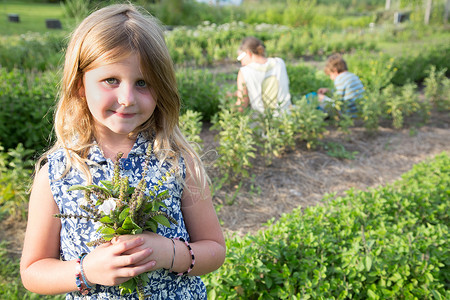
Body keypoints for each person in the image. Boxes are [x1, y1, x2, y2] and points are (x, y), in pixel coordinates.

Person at [20, 4, 225, 299]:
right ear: (80, 85)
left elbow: (214, 249)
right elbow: (32, 271)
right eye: (111, 80)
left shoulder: (177, 160)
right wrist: (86, 270)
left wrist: (169, 252)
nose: (127, 98)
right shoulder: (58, 172)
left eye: (142, 83)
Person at [234, 36, 292, 116]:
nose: (242, 62)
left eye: (241, 58)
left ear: (248, 53)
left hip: (262, 123)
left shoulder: (245, 71)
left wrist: (229, 115)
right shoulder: (279, 63)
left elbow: (242, 105)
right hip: (286, 118)